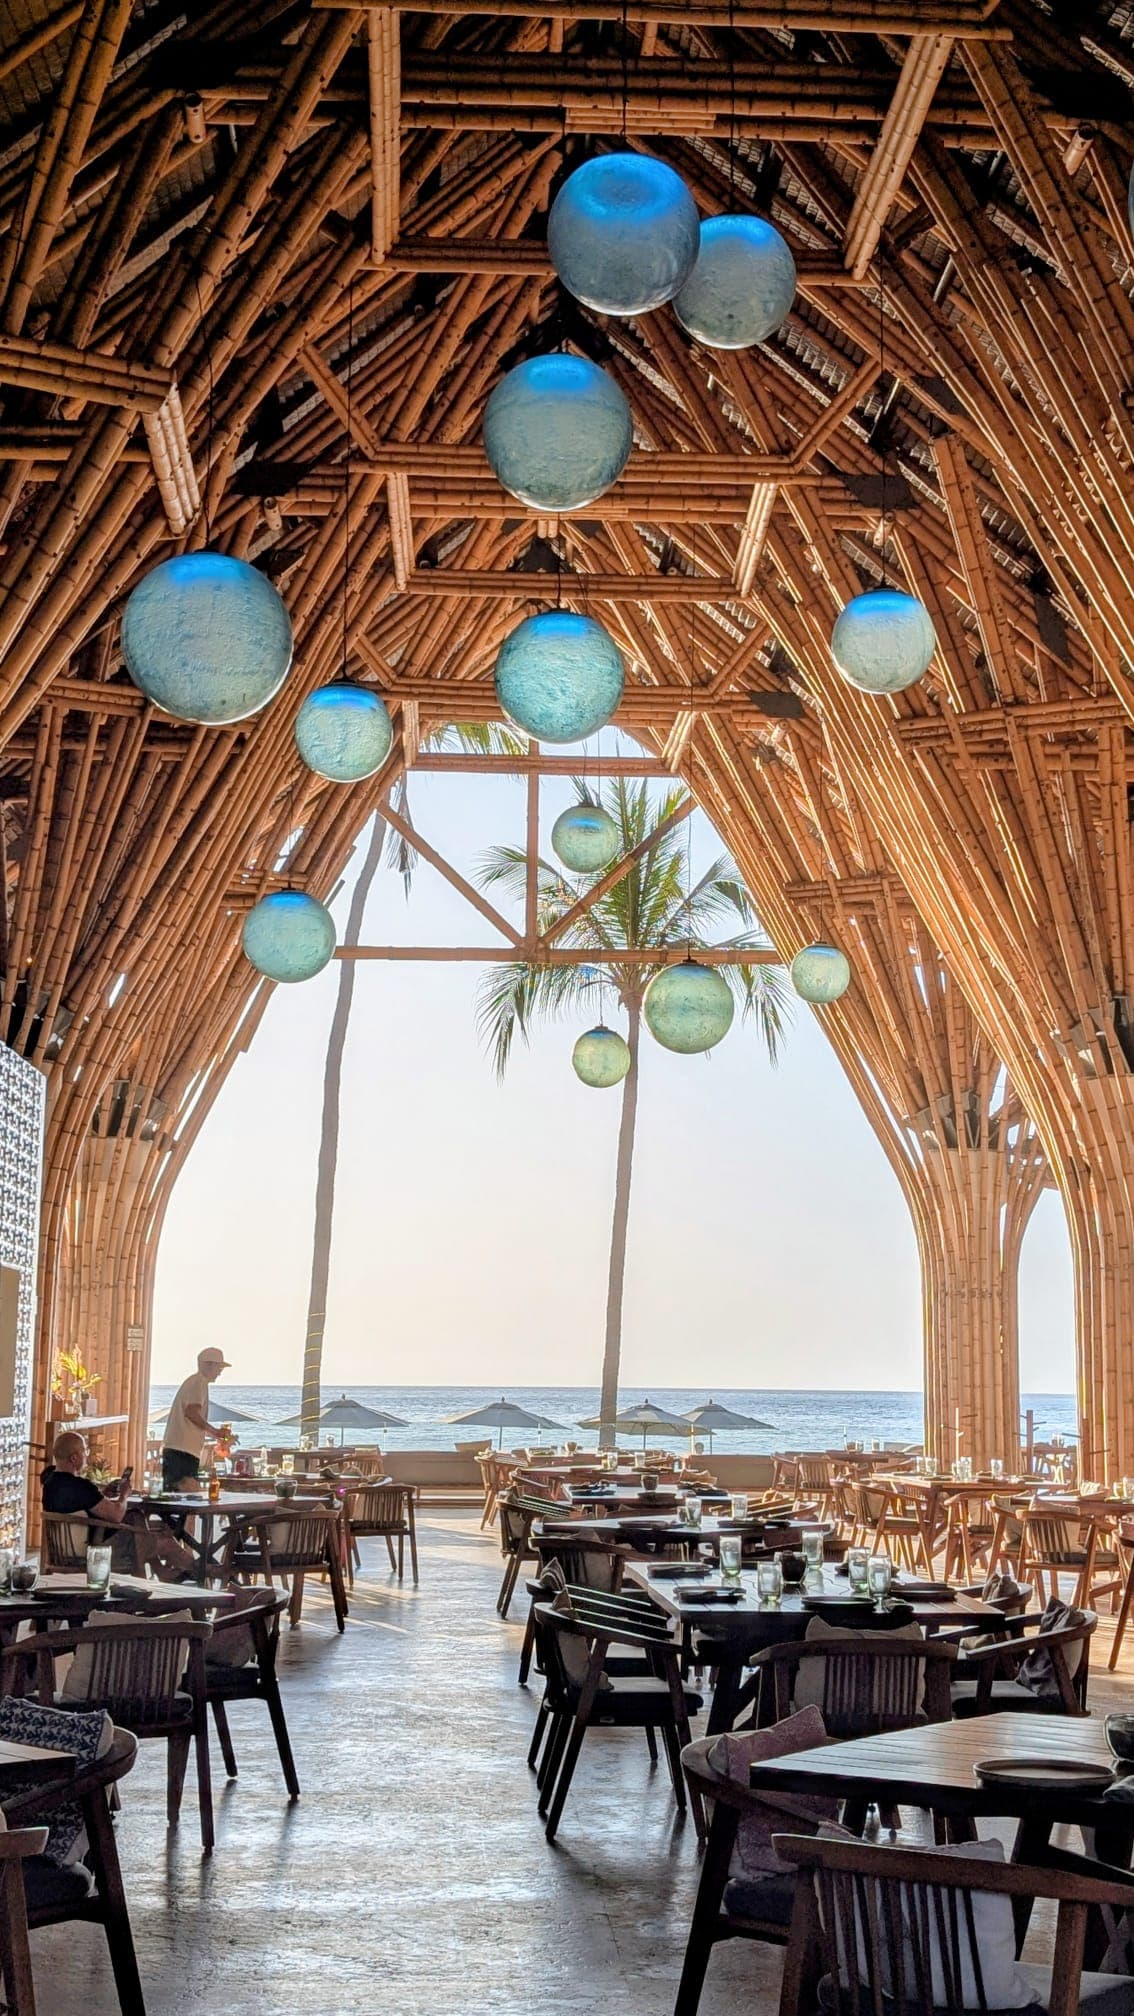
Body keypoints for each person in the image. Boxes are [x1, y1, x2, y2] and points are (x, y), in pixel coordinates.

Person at [41, 1431, 194, 1580]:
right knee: (163, 1541)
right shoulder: (81, 1486)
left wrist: (104, 1495)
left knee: (136, 1517)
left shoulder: (50, 1483)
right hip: (96, 1550)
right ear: (74, 1458)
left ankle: (163, 1571)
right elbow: (116, 1515)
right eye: (84, 1451)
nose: (87, 1455)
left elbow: (82, 1505)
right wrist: (124, 1494)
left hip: (64, 1550)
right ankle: (202, 1571)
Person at [161, 1347, 233, 1491]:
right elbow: (192, 1412)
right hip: (182, 1451)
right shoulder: (198, 1382)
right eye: (219, 1367)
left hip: (180, 1449)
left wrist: (216, 1435)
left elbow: (193, 1420)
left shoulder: (195, 1382)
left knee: (178, 1499)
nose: (220, 1372)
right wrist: (216, 1432)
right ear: (208, 1365)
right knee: (185, 1497)